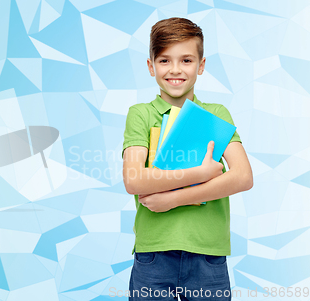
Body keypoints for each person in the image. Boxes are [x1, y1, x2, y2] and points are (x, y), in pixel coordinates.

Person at [122, 17, 253, 300]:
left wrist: (170, 198)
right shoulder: (141, 114)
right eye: (165, 61)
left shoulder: (216, 114)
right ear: (151, 66)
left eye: (186, 60)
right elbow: (134, 180)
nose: (175, 70)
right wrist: (203, 173)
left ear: (201, 65)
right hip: (153, 254)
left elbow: (243, 176)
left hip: (208, 255)